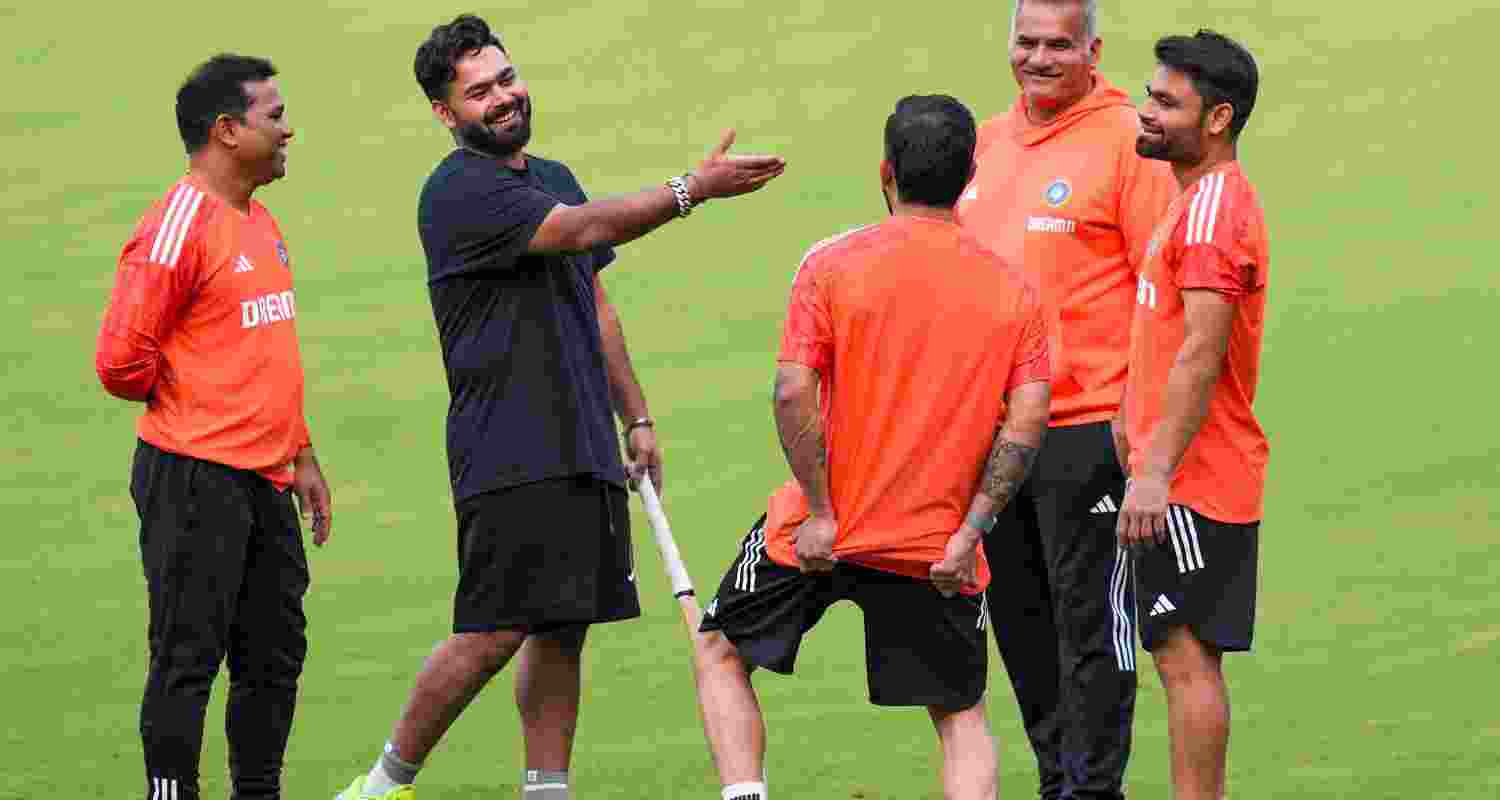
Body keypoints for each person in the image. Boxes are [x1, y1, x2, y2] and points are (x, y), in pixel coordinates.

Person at [334, 14, 784, 800]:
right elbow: (584, 228)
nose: (502, 99)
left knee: (561, 624)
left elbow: (595, 300)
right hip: (508, 446)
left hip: (581, 437)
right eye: (479, 93)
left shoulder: (553, 174)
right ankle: (382, 785)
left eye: (506, 79)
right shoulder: (459, 191)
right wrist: (691, 190)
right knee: (492, 632)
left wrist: (635, 417)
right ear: (446, 114)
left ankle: (547, 790)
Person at [689, 94, 1053, 800]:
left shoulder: (829, 265)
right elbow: (1026, 425)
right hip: (936, 548)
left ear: (885, 171)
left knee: (721, 652)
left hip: (818, 533)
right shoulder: (1013, 291)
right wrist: (971, 533)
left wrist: (823, 512)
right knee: (961, 715)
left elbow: (792, 392)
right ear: (969, 173)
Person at [94, 54, 333, 800]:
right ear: (227, 131)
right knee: (188, 656)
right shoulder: (178, 222)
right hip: (194, 475)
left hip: (266, 477)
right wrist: (199, 406)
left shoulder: (260, 222)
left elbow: (261, 354)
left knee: (274, 656)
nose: (289, 129)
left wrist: (302, 452)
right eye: (274, 115)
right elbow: (118, 360)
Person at [954, 2, 1177, 797]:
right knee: (1019, 623)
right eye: (1026, 42)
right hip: (995, 432)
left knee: (1092, 625)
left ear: (1093, 50)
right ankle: (1059, 780)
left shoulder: (1130, 141)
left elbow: (1166, 287)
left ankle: (1093, 789)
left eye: (1058, 45)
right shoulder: (982, 143)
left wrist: (1139, 420)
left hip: (1090, 429)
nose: (1040, 58)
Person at [1117, 29, 1268, 800]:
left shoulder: (1210, 213)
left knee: (1185, 657)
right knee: (1180, 653)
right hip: (1191, 471)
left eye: (1165, 102)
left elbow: (1202, 354)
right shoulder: (1194, 203)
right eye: (1150, 94)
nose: (1146, 112)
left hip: (1195, 479)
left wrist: (1152, 471)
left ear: (1217, 119)